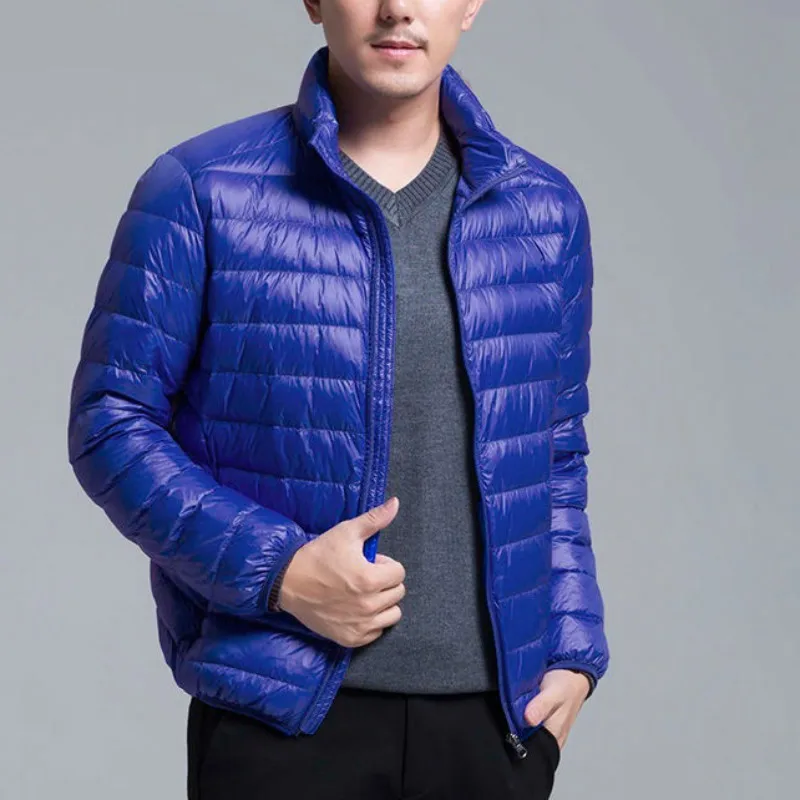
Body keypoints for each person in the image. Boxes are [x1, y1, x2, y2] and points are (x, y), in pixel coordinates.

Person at [67, 1, 610, 798]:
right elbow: (110, 423)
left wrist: (573, 652)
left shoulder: (543, 212)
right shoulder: (202, 190)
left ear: (471, 4)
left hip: (496, 726)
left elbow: (555, 453)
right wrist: (280, 571)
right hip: (282, 718)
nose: (398, 9)